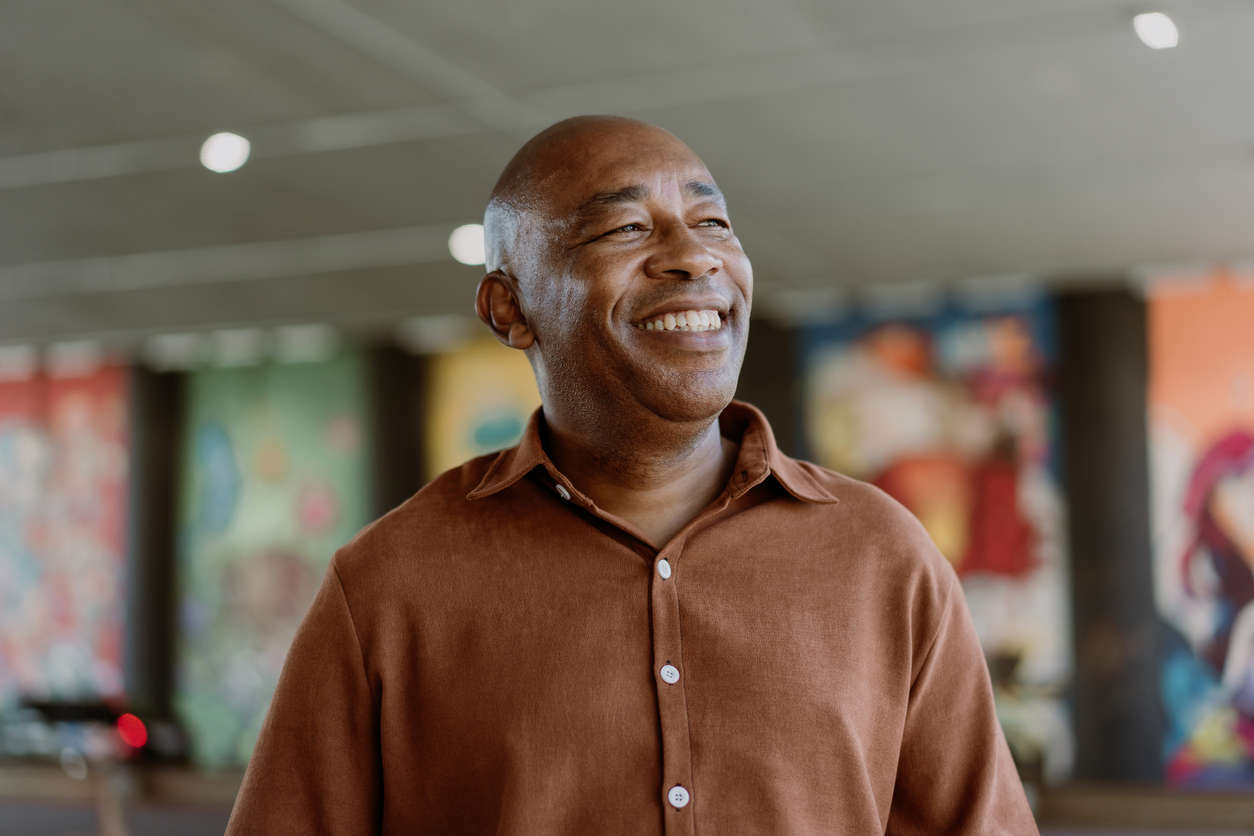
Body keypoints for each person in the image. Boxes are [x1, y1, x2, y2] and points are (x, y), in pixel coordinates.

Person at [225, 115, 1037, 834]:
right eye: (624, 229)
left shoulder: (880, 555)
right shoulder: (390, 586)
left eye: (713, 222)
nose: (693, 256)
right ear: (510, 309)